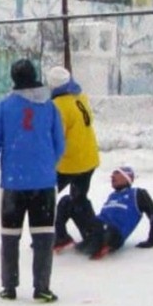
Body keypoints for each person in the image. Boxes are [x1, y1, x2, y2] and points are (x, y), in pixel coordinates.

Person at [0, 59, 65, 302]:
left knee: (10, 236)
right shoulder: (50, 107)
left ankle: (9, 286)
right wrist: (46, 165)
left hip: (13, 184)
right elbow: (60, 144)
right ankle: (42, 288)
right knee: (43, 237)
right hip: (43, 184)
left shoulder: (3, 107)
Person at [47, 66, 100, 252]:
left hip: (69, 163)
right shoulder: (80, 97)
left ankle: (57, 236)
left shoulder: (58, 106)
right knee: (79, 199)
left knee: (44, 198)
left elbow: (57, 137)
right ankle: (95, 235)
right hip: (89, 158)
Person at [63, 166, 153, 260]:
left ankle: (102, 244)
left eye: (117, 173)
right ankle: (62, 239)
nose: (112, 176)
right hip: (96, 228)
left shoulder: (138, 193)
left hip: (113, 234)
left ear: (127, 176)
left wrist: (151, 240)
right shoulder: (112, 195)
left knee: (106, 229)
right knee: (68, 201)